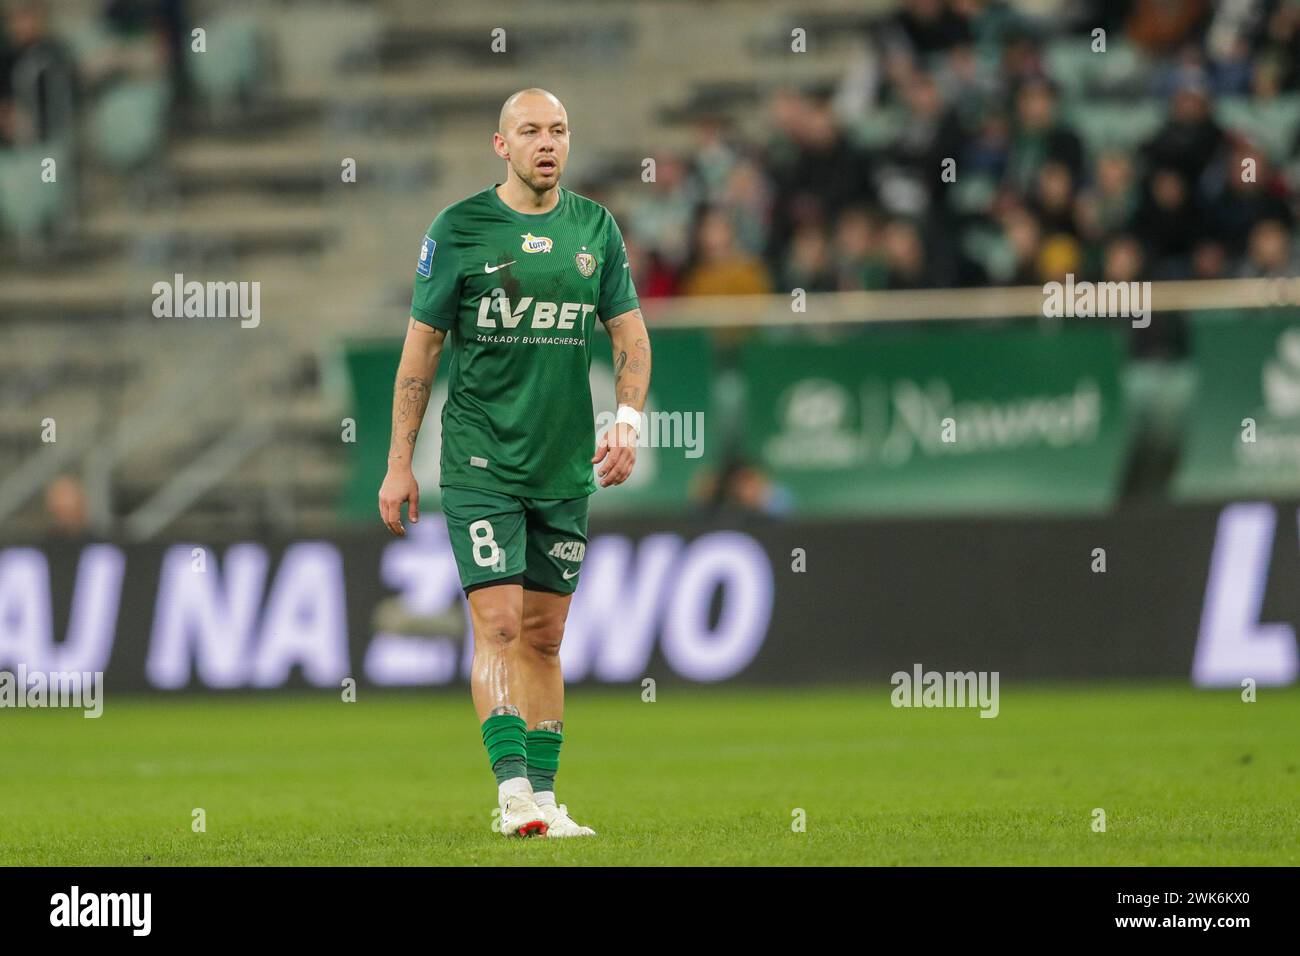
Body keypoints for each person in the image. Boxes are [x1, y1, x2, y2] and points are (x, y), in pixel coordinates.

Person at [377, 88, 651, 839]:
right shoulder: (459, 229)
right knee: (496, 625)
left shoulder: (595, 228)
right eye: (530, 130)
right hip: (479, 460)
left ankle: (548, 796)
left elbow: (631, 335)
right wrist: (400, 463)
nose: (547, 143)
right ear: (501, 145)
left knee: (545, 638)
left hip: (563, 467)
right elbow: (420, 353)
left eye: (558, 130)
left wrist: (626, 422)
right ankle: (512, 793)